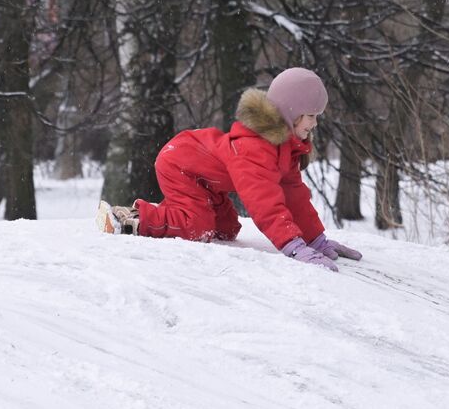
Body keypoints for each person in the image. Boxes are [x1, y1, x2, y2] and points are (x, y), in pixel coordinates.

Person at [97, 67, 362, 272]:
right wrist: (292, 245)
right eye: (312, 115)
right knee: (197, 227)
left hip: (206, 180)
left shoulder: (285, 147)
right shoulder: (255, 148)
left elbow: (293, 195)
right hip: (180, 163)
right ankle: (131, 218)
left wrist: (315, 239)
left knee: (226, 230)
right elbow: (264, 202)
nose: (315, 123)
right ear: (291, 111)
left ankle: (174, 211)